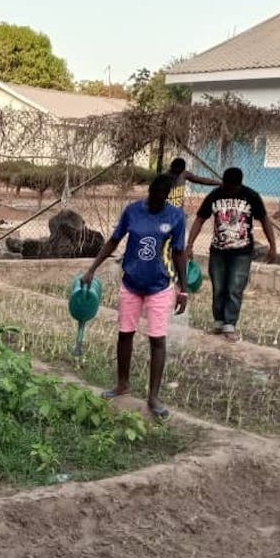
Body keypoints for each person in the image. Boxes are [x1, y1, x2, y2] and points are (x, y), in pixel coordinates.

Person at [81, 173, 187, 421]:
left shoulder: (175, 217)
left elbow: (180, 253)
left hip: (160, 286)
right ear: (149, 193)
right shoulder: (133, 211)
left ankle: (154, 396)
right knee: (125, 334)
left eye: (161, 198)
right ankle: (122, 384)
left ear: (167, 197)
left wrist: (183, 288)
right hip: (131, 283)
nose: (156, 201)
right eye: (153, 196)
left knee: (157, 340)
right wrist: (91, 269)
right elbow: (114, 241)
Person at [186, 167, 277, 343]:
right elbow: (199, 219)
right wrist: (190, 244)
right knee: (218, 287)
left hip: (242, 252)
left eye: (232, 188)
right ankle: (219, 322)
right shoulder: (215, 195)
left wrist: (273, 246)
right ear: (224, 183)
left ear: (239, 185)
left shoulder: (251, 196)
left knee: (235, 288)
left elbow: (265, 220)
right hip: (218, 251)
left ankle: (230, 324)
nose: (228, 191)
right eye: (226, 187)